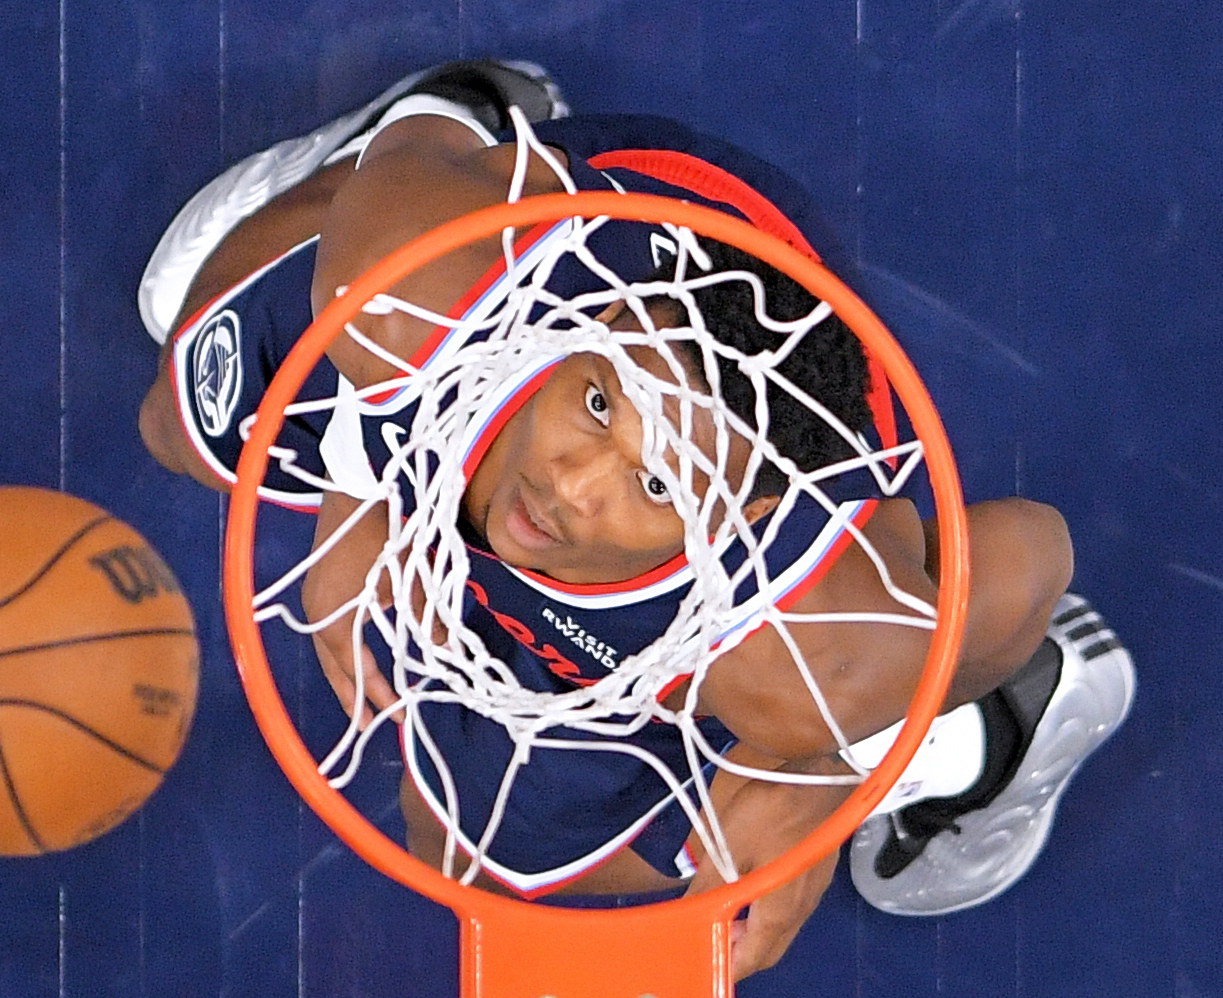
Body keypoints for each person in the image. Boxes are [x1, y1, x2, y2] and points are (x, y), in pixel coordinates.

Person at [136, 60, 1134, 980]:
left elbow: (1028, 554)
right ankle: (490, 99)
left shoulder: (816, 652)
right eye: (601, 405)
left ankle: (986, 732)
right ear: (598, 329)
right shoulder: (420, 291)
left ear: (739, 524)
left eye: (659, 486)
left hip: (770, 612)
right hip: (552, 222)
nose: (570, 484)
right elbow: (412, 154)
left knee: (467, 850)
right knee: (180, 406)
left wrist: (832, 774)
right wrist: (362, 479)